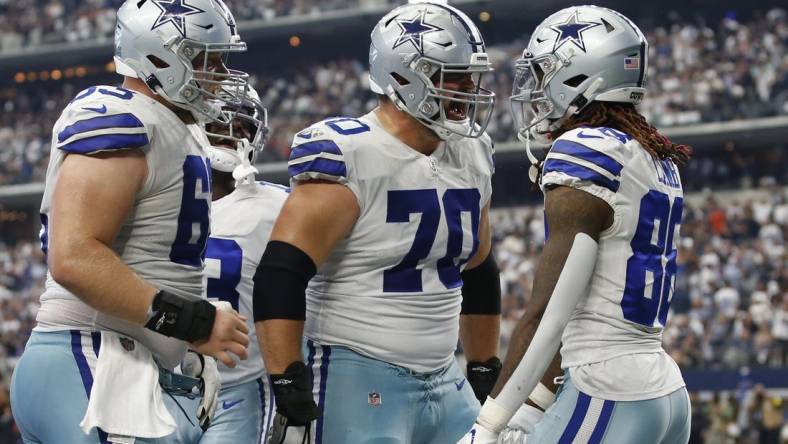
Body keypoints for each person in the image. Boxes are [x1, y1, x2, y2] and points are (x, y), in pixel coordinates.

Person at [254, 2, 502, 443]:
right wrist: (287, 376)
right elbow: (281, 275)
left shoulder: (473, 151)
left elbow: (479, 268)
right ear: (404, 76)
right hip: (358, 371)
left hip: (445, 375)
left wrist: (482, 364)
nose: (468, 88)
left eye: (470, 75)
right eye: (453, 76)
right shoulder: (349, 153)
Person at [10, 0, 252, 442]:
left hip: (125, 360)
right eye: (205, 58)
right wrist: (191, 322)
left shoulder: (178, 126)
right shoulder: (123, 115)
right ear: (158, 55)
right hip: (88, 354)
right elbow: (75, 256)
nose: (219, 73)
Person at [461, 5, 693, 443]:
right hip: (662, 389)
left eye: (546, 74)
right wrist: (532, 410)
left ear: (582, 76)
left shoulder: (585, 151)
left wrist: (488, 424)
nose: (537, 91)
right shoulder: (652, 156)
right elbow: (579, 314)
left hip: (608, 390)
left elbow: (549, 313)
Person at [173, 86, 291, 443]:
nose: (231, 134)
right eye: (217, 122)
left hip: (240, 388)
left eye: (240, 126)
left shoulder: (277, 207)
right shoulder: (151, 196)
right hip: (158, 385)